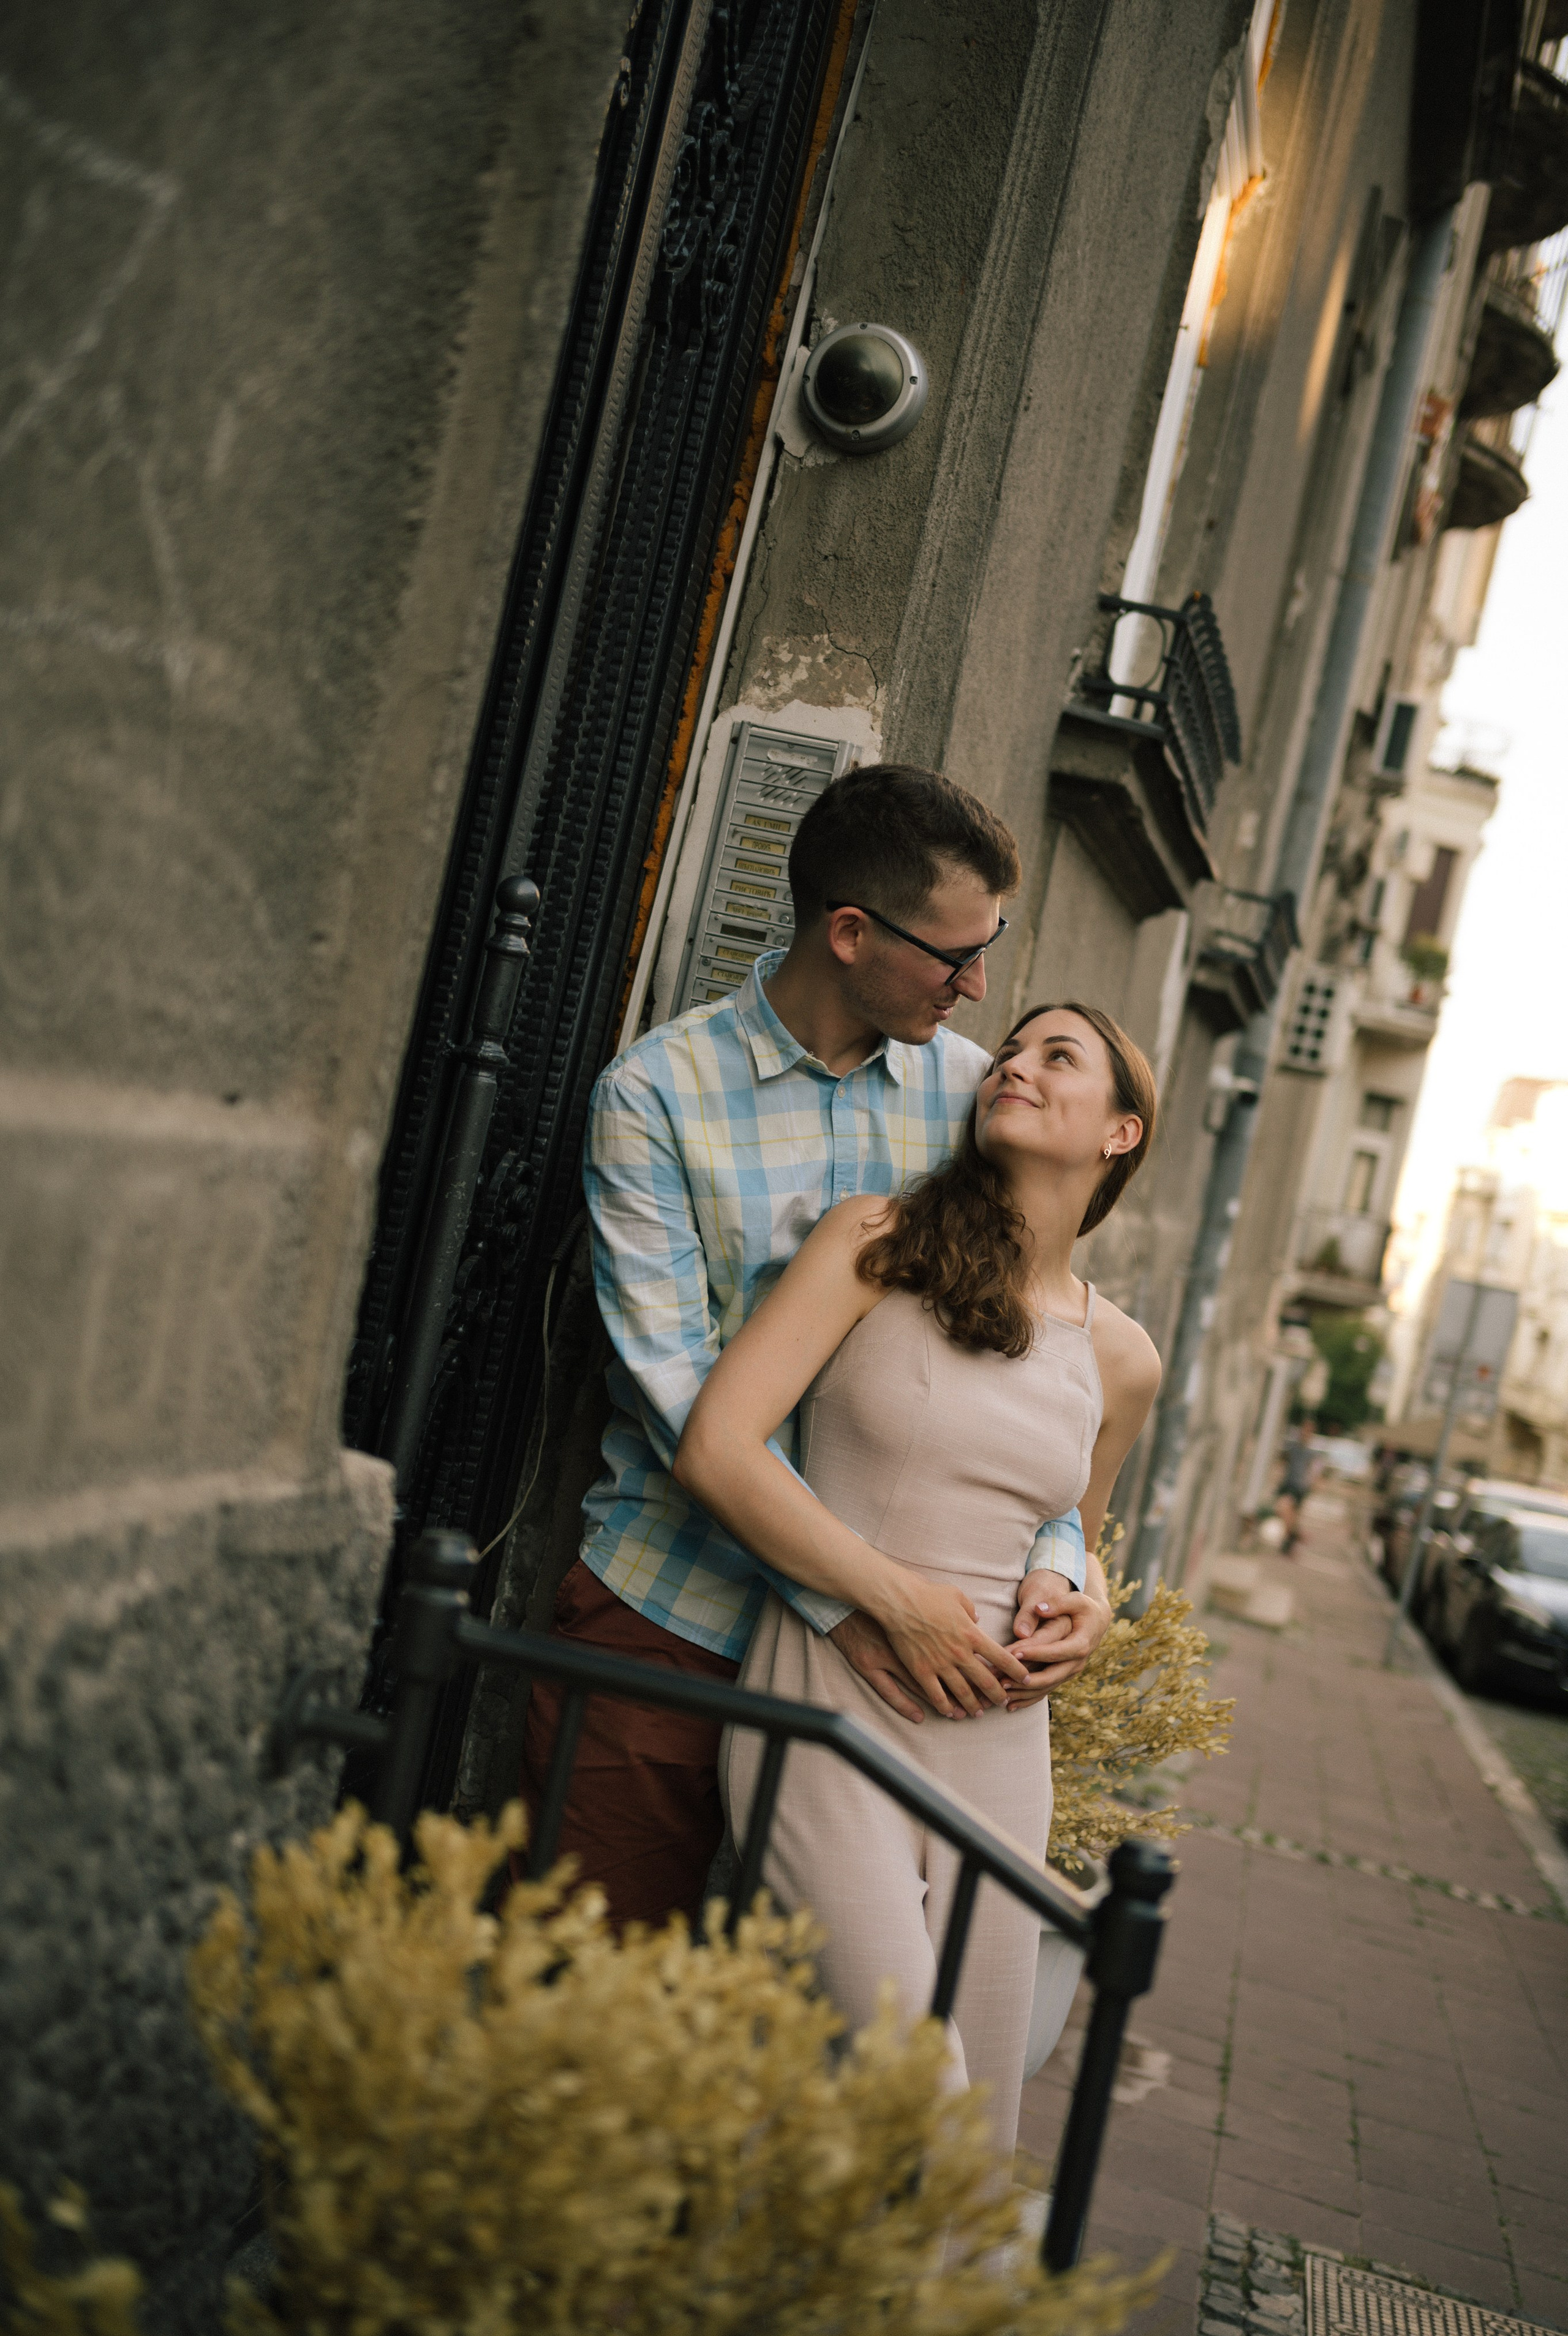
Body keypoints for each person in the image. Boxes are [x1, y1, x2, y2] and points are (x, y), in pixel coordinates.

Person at [519, 766, 1114, 1930]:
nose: (979, 984)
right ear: (850, 932)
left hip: (903, 1673)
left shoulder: (973, 1095)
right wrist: (864, 1601)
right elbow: (683, 1404)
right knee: (588, 2000)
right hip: (679, 1620)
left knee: (820, 2047)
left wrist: (1064, 1560)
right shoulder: (656, 1097)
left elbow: (1035, 1355)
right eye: (955, 955)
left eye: (989, 946)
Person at [676, 1002, 1161, 2154]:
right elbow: (717, 1448)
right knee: (917, 2098)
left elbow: (1069, 1523)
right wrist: (887, 1599)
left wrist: (1086, 1604)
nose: (1015, 1065)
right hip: (830, 1709)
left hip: (999, 1746)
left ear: (1121, 1134)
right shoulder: (873, 1242)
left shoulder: (1120, 1353)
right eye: (1011, 1047)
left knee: (973, 2123)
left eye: (1059, 1056)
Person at [1276, 1418, 1318, 1553]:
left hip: (1299, 1488)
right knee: (1286, 1514)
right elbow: (1282, 1463)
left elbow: (1314, 1472)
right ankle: (1296, 1536)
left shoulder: (1311, 1453)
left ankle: (1290, 1543)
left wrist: (1311, 1484)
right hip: (1288, 1485)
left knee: (1290, 1515)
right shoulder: (1292, 1447)